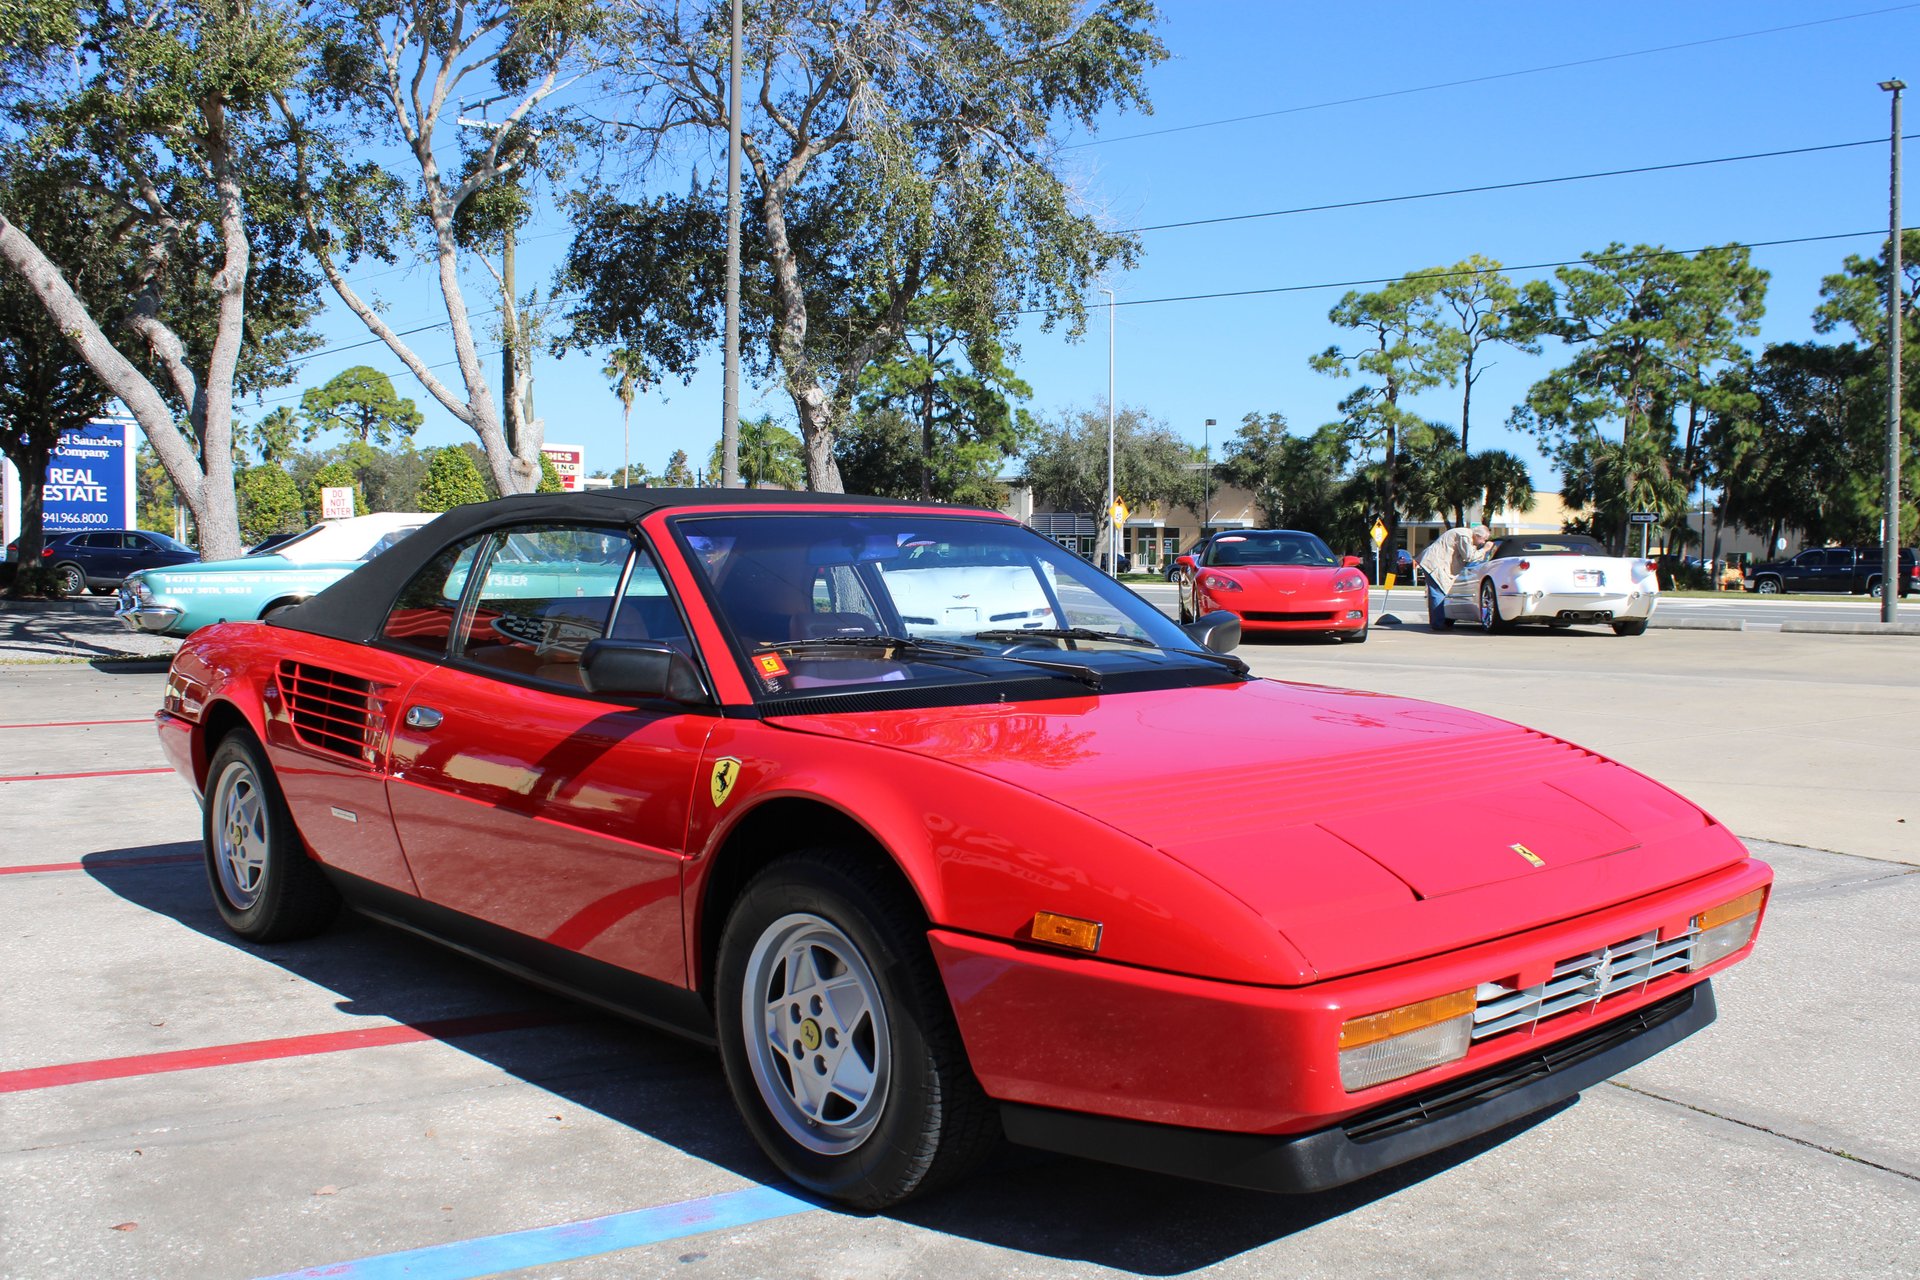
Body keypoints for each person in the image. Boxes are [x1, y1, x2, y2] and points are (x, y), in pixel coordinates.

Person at [1418, 524, 1490, 629]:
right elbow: (1469, 556)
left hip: (1436, 564)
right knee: (1438, 593)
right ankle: (1438, 624)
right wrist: (1485, 549)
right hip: (1435, 564)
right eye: (1484, 539)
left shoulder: (1465, 535)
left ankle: (1439, 621)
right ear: (1477, 535)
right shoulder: (1464, 536)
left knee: (1438, 593)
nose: (1483, 542)